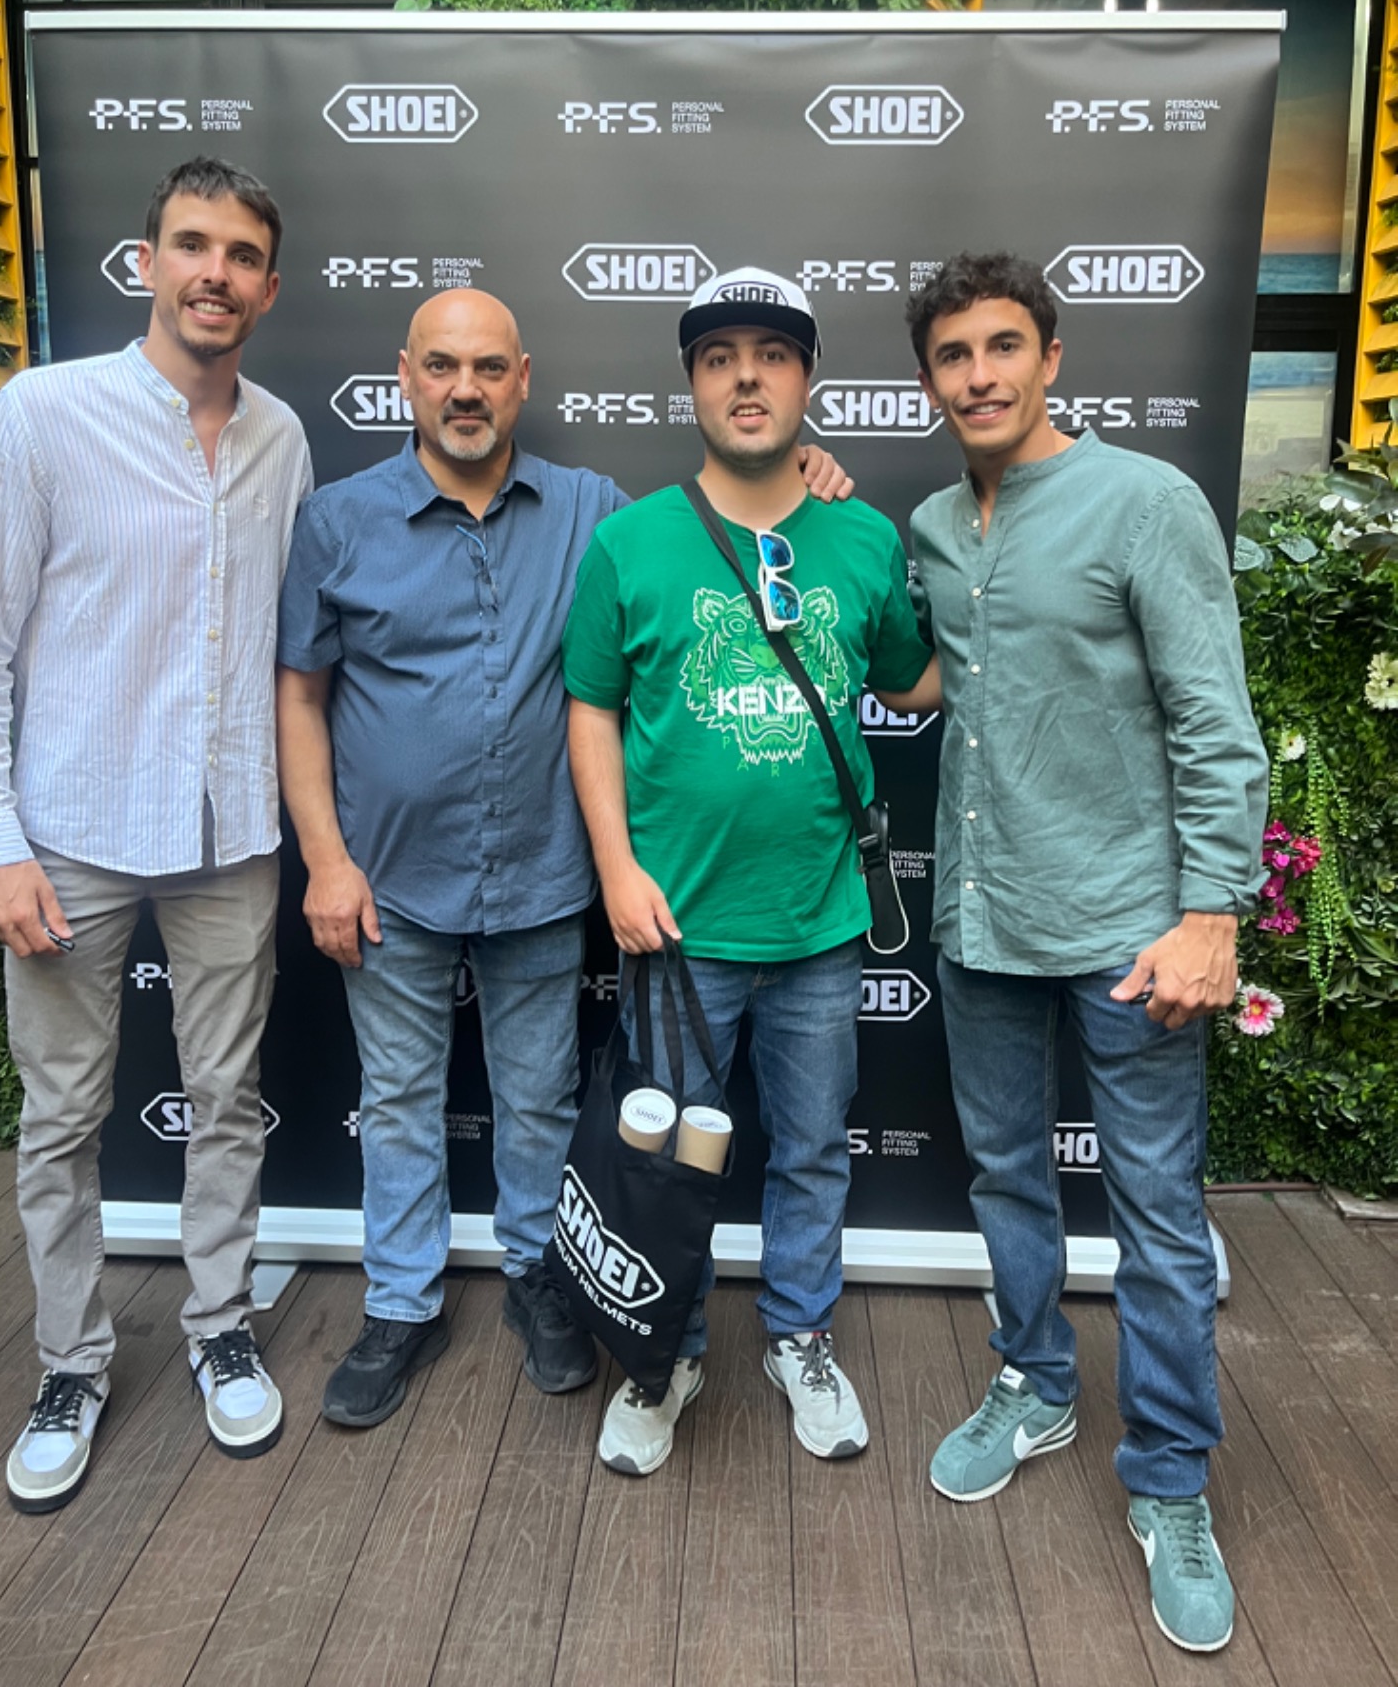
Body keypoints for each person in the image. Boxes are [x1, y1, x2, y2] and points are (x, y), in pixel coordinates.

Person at [275, 285, 850, 1429]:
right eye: (444, 367)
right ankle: (399, 1303)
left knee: (538, 1101)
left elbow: (717, 520)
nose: (467, 390)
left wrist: (808, 473)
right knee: (398, 1099)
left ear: (523, 380)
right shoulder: (337, 522)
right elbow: (300, 697)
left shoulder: (592, 509)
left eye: (489, 368)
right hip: (388, 880)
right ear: (407, 377)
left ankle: (540, 1278)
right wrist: (325, 860)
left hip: (541, 878)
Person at [904, 252, 1267, 1654]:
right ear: (929, 379)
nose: (980, 374)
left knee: (1158, 1216)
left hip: (1130, 931)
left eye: (1004, 345)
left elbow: (1215, 718)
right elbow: (924, 672)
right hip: (984, 922)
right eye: (953, 354)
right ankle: (1036, 1382)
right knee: (1006, 1174)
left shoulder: (1146, 501)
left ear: (1051, 356)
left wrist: (1212, 913)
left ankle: (1170, 1479)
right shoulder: (936, 525)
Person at [0, 158, 310, 1513]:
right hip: (69, 834)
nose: (215, 272)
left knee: (227, 1096)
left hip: (231, 833)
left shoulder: (283, 437)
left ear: (268, 288)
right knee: (60, 1120)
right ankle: (70, 1364)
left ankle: (221, 1325)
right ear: (146, 261)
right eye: (193, 245)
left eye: (241, 255)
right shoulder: (42, 415)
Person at [563, 267, 939, 1478]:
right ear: (691, 383)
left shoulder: (864, 537)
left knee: (813, 1146)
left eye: (771, 355)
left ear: (806, 379)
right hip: (675, 929)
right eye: (719, 356)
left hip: (820, 922)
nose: (745, 377)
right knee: (664, 1166)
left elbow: (915, 681)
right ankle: (660, 1355)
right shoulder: (629, 541)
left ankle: (800, 1338)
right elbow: (590, 709)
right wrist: (616, 867)